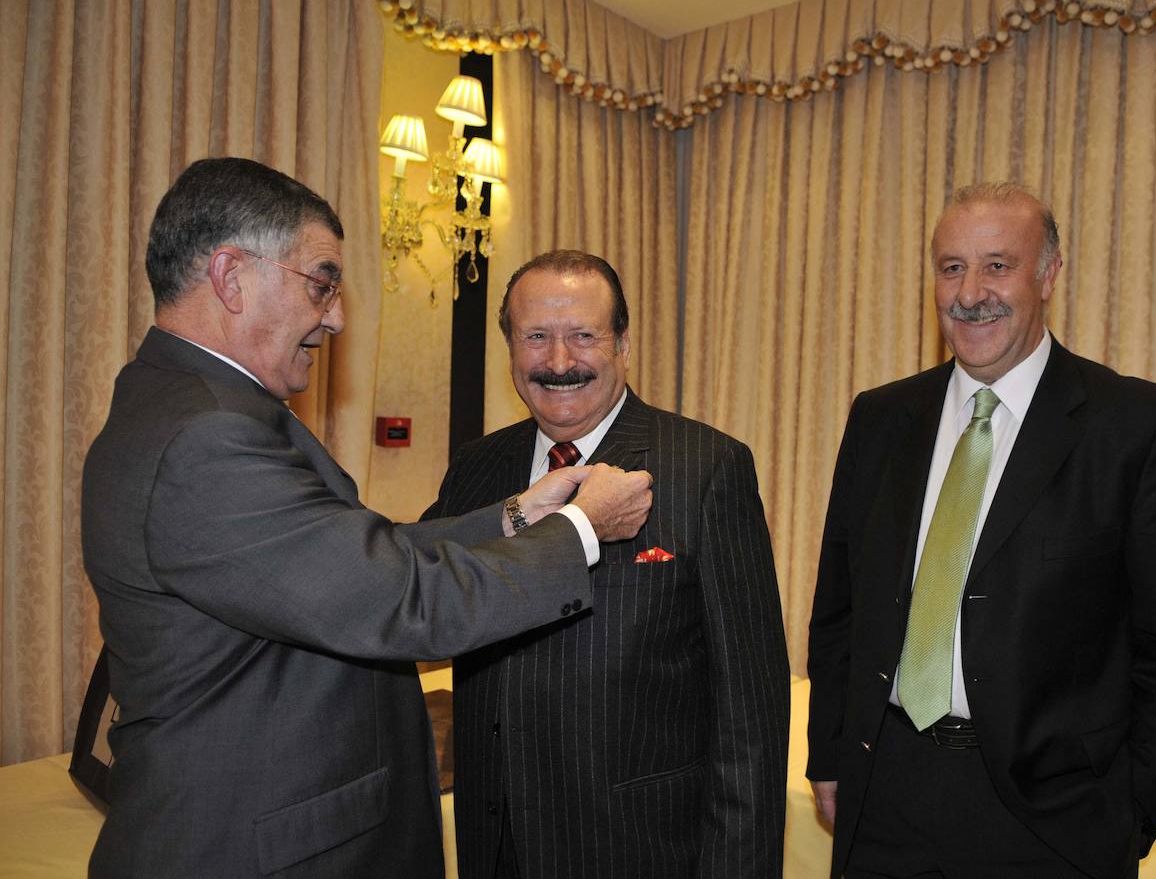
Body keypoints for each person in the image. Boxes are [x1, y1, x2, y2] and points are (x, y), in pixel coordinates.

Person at [80, 158, 653, 879]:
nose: (337, 315)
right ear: (230, 277)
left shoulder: (188, 405)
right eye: (321, 282)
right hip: (257, 847)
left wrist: (514, 515)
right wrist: (581, 529)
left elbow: (355, 557)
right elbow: (397, 598)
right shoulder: (207, 436)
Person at [806, 183, 1156, 879]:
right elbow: (840, 610)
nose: (971, 292)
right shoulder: (881, 417)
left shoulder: (1134, 428)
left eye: (998, 265)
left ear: (1050, 273)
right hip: (886, 798)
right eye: (951, 267)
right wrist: (831, 751)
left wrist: (1127, 815)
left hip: (1055, 820)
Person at [423, 249, 791, 879]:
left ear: (623, 343)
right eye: (536, 336)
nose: (559, 362)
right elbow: (421, 597)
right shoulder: (476, 470)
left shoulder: (705, 468)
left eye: (583, 336)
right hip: (497, 846)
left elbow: (751, 710)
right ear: (509, 347)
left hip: (640, 851)